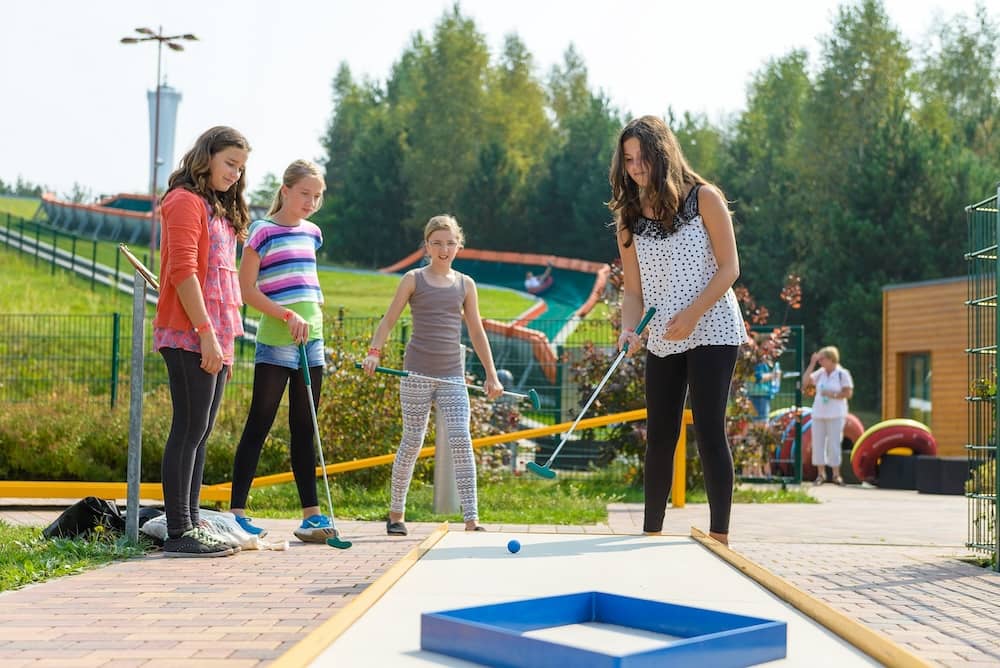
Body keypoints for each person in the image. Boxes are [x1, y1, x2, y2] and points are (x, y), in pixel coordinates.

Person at [609, 116, 748, 547]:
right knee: (661, 433)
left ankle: (719, 536)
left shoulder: (704, 198)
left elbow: (730, 269)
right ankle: (651, 533)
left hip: (714, 326)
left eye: (641, 157)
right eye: (628, 160)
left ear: (661, 153)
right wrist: (629, 328)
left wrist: (693, 312)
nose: (634, 167)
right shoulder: (628, 218)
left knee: (708, 429)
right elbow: (633, 289)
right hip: (664, 333)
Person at [361, 215, 502, 535]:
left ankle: (472, 519)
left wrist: (491, 375)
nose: (444, 248)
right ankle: (396, 515)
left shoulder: (466, 284)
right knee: (412, 441)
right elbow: (388, 320)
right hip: (416, 374)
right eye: (437, 242)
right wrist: (374, 352)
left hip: (452, 374)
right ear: (427, 246)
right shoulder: (413, 279)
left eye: (450, 243)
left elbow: (477, 332)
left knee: (461, 439)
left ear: (459, 246)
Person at [153, 126, 251, 557]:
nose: (235, 173)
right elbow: (183, 271)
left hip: (218, 334)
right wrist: (206, 333)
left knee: (202, 430)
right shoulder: (183, 201)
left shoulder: (217, 207)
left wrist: (219, 337)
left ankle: (192, 523)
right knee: (188, 428)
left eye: (241, 167)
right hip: (191, 332)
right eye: (229, 163)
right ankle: (178, 531)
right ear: (206, 156)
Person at [228, 160, 336, 543]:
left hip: (313, 341)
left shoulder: (313, 233)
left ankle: (312, 516)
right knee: (260, 422)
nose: (311, 202)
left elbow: (306, 280)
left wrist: (313, 310)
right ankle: (237, 513)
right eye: (305, 193)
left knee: (305, 428)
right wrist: (286, 314)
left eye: (317, 195)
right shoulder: (262, 231)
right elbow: (247, 290)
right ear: (286, 190)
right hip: (276, 341)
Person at [802, 346, 854, 486]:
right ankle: (821, 474)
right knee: (818, 444)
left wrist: (833, 395)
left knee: (834, 444)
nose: (820, 362)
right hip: (819, 414)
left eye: (822, 359)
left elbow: (848, 393)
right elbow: (805, 382)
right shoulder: (821, 373)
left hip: (836, 414)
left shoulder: (842, 374)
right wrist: (812, 363)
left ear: (831, 359)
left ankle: (836, 475)